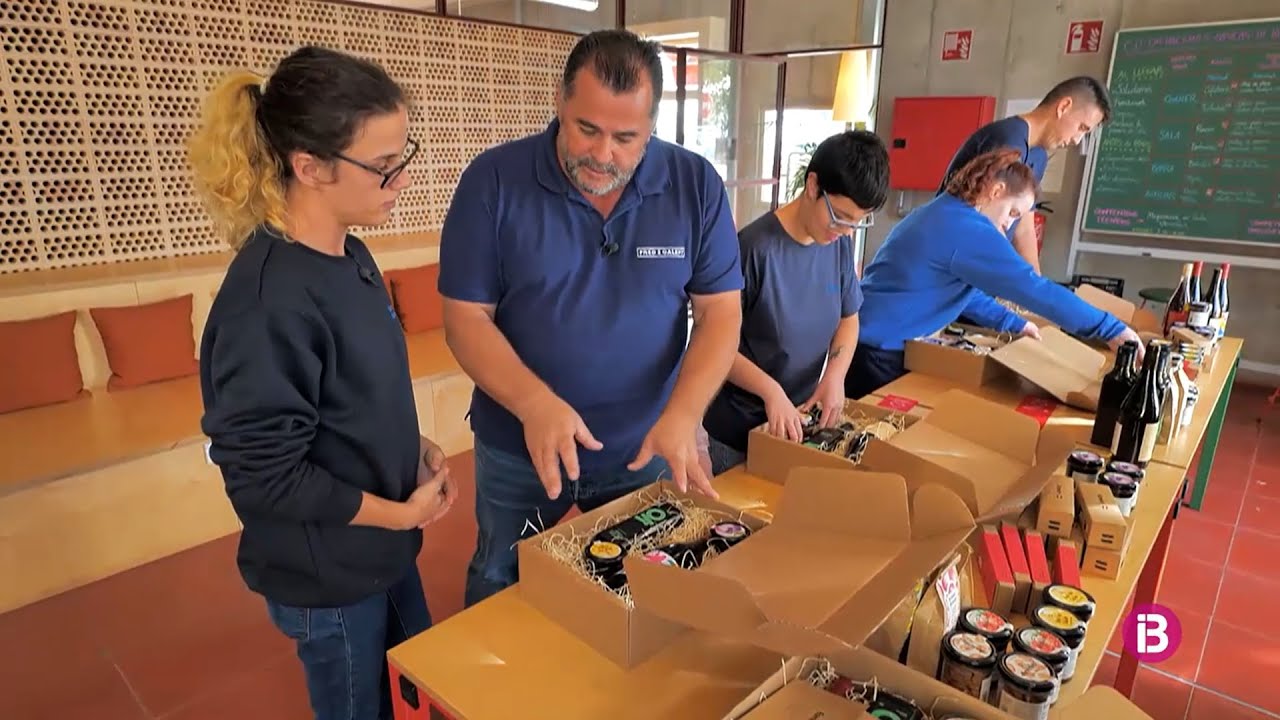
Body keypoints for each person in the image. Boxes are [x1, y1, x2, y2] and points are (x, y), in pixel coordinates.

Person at [190, 47, 455, 720]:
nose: (401, 179)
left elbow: (354, 394)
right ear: (309, 167)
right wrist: (399, 512)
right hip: (329, 576)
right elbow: (264, 475)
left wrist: (414, 446)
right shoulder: (268, 302)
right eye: (383, 165)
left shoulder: (352, 255)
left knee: (415, 685)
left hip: (386, 546)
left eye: (404, 153)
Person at [438, 30, 743, 608]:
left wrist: (683, 416)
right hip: (519, 443)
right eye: (587, 129)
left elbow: (720, 314)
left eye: (626, 138)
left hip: (644, 442)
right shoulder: (494, 181)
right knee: (502, 576)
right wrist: (534, 403)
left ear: (652, 127)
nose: (603, 155)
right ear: (560, 102)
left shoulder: (694, 185)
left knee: (644, 584)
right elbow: (465, 320)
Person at [846, 148, 1141, 400]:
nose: (1008, 227)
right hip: (877, 353)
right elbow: (1034, 289)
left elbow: (960, 292)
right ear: (995, 191)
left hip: (866, 341)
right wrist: (1113, 329)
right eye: (1012, 213)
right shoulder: (965, 229)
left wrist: (1014, 323)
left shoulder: (941, 213)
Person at [702, 130, 889, 475]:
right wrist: (771, 392)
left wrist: (834, 377)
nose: (847, 231)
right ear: (813, 186)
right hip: (740, 432)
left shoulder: (837, 243)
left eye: (857, 223)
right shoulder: (752, 250)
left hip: (799, 422)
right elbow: (711, 343)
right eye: (841, 216)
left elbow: (849, 318)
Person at [937, 76, 1112, 273]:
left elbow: (1024, 226)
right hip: (947, 265)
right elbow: (985, 221)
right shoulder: (1007, 140)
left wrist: (1036, 281)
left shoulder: (1039, 156)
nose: (1077, 140)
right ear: (1064, 106)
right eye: (1081, 128)